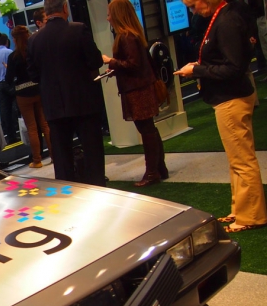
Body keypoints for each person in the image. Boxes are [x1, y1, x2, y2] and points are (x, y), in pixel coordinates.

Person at [175, 0, 267, 233]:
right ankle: (241, 209)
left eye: (193, 6)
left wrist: (197, 70)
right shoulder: (225, 16)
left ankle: (251, 216)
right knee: (237, 159)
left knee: (242, 160)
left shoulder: (226, 20)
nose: (192, 12)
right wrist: (200, 66)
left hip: (231, 99)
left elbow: (233, 67)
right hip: (230, 98)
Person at [27, 0, 107, 187]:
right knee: (93, 152)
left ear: (46, 12)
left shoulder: (34, 40)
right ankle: (98, 190)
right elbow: (95, 61)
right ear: (65, 8)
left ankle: (67, 194)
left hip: (54, 107)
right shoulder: (78, 30)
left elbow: (33, 74)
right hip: (84, 103)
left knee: (62, 158)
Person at [102, 0, 168, 186]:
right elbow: (134, 64)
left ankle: (153, 172)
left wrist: (110, 61)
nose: (108, 18)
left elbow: (133, 65)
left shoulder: (126, 36)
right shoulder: (132, 34)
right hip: (141, 88)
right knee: (149, 129)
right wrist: (115, 68)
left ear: (117, 15)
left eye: (109, 14)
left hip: (138, 91)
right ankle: (159, 169)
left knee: (147, 131)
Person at [7, 25, 53, 168]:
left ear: (14, 39)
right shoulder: (34, 51)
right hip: (38, 89)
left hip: (23, 94)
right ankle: (55, 156)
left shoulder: (13, 57)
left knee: (32, 128)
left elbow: (8, 79)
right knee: (45, 125)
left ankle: (37, 160)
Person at [0, 34, 18, 141]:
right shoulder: (9, 52)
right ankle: (16, 128)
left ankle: (9, 134)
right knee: (14, 107)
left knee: (4, 109)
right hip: (10, 82)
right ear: (7, 41)